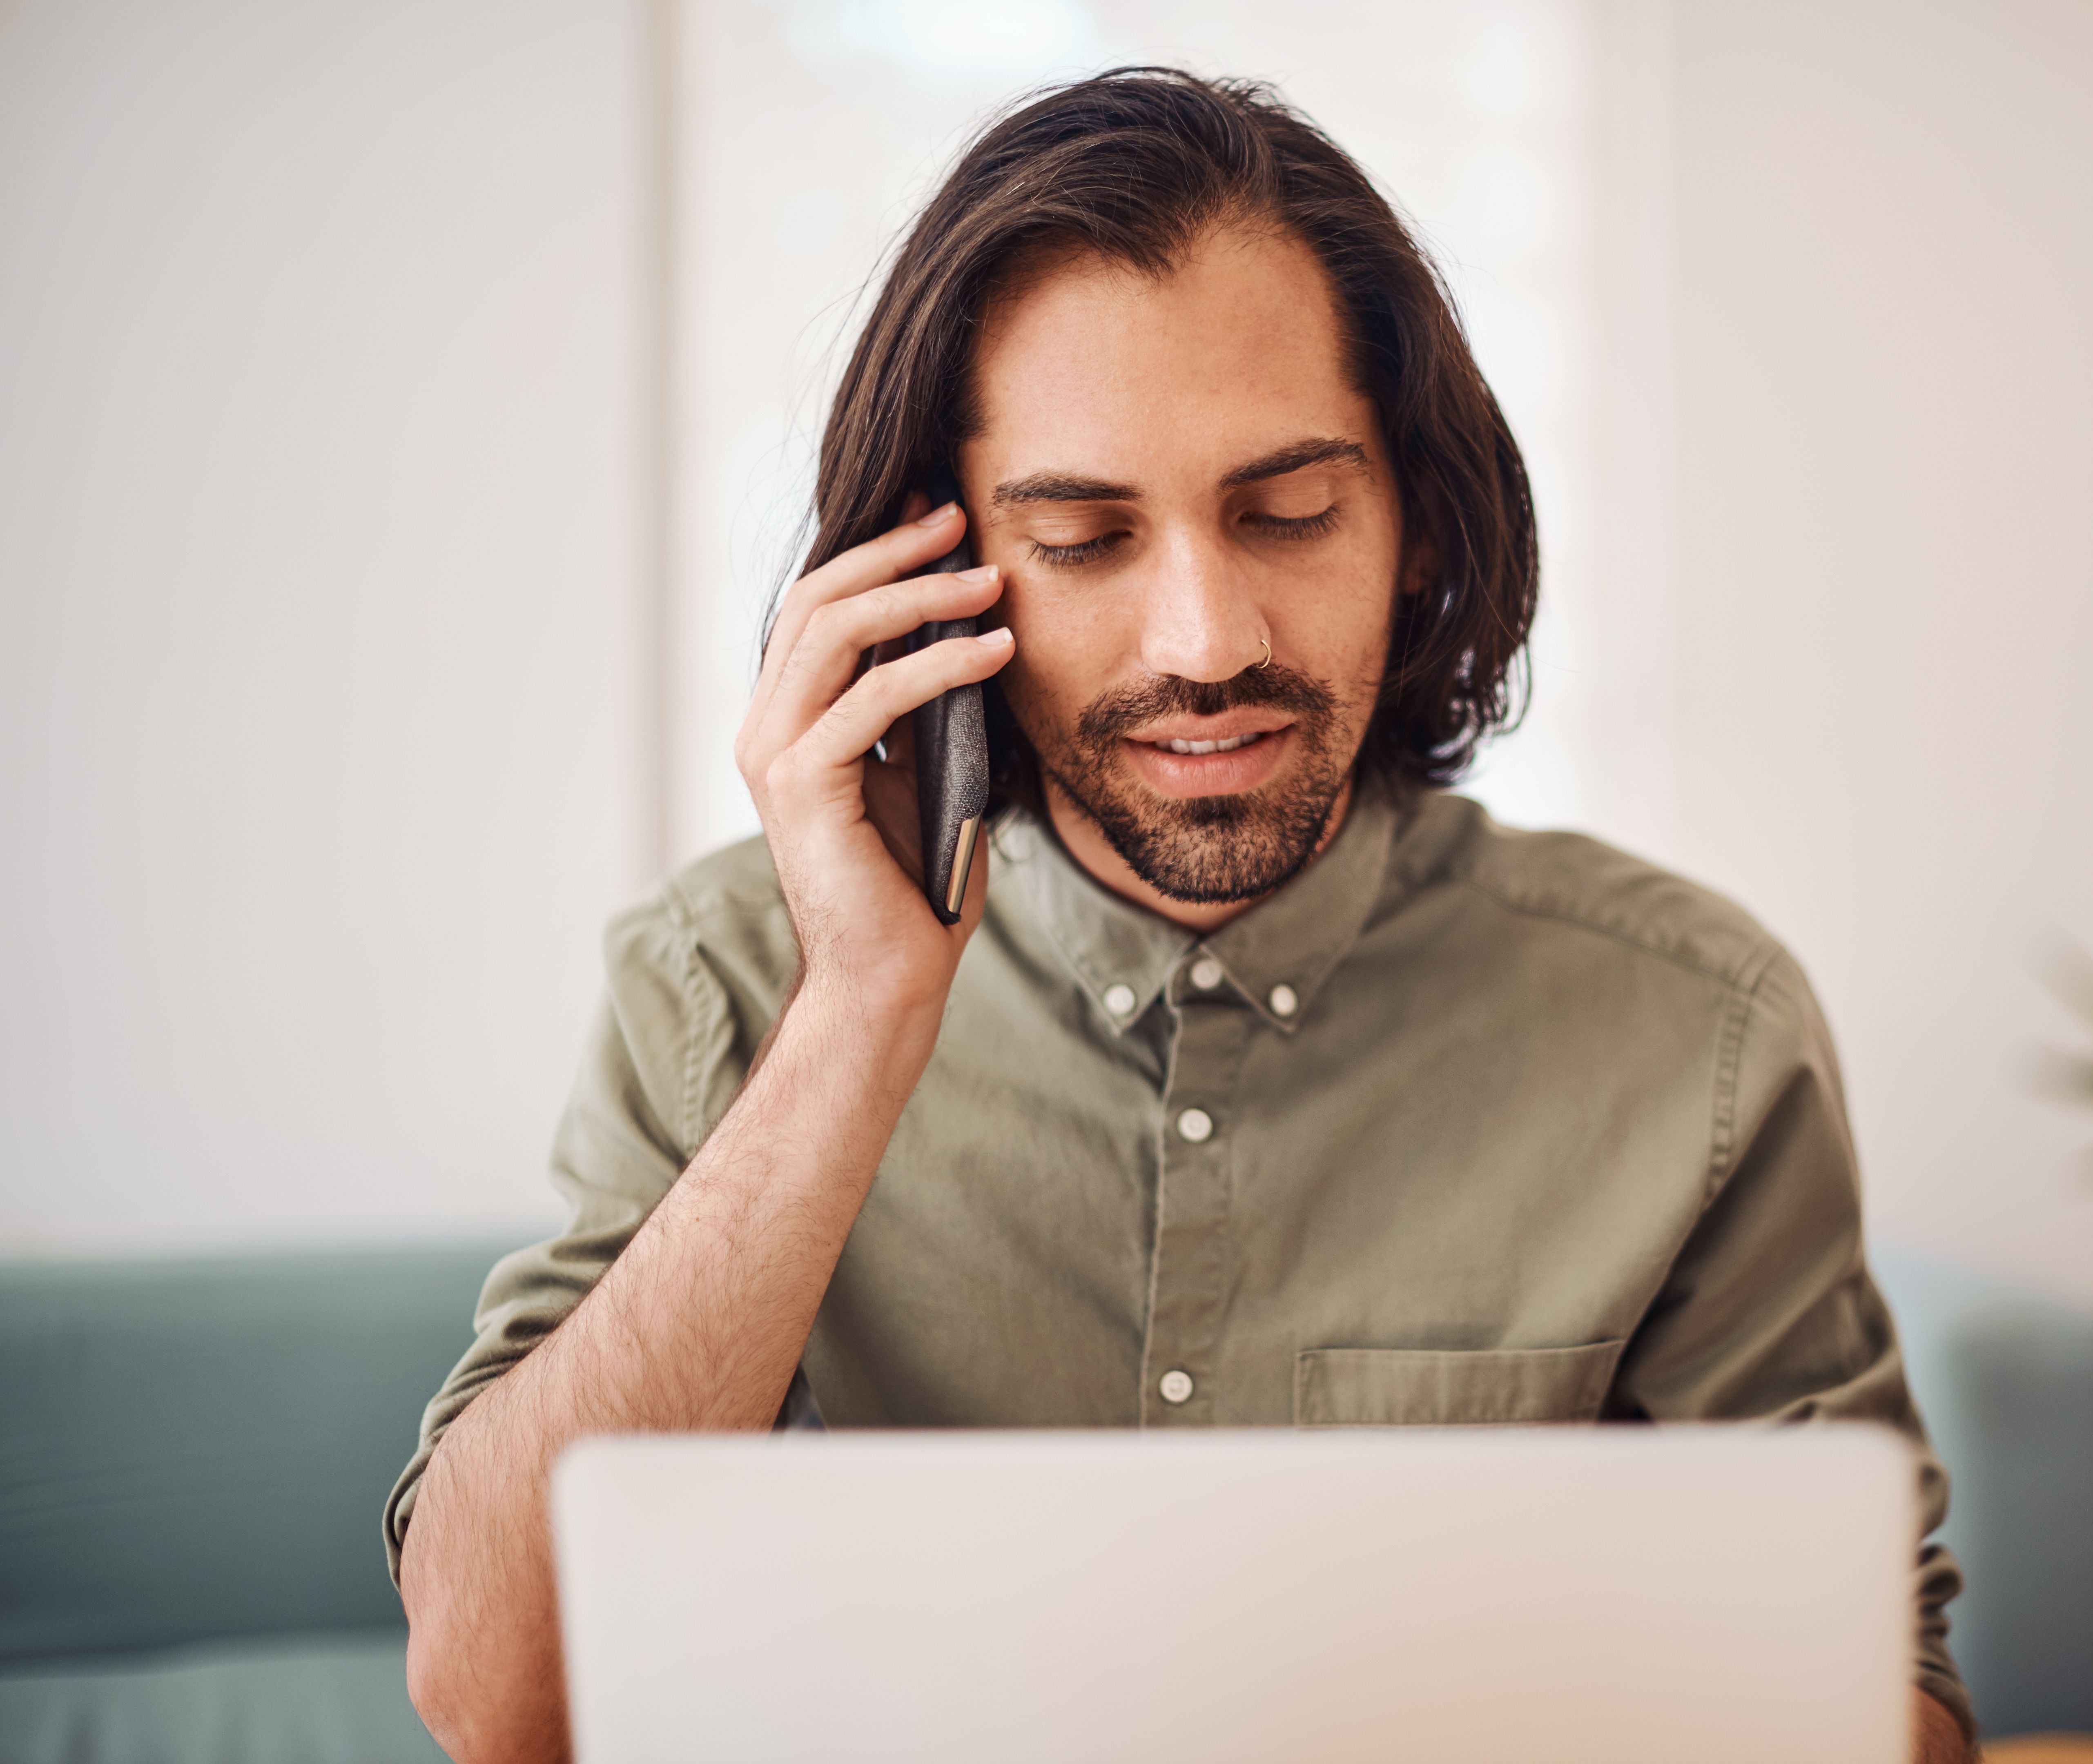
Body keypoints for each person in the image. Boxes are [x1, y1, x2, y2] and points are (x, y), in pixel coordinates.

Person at [390, 68, 1976, 1764]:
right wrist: (857, 1018)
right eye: (1083, 538)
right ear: (937, 573)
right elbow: (497, 1699)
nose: (1203, 637)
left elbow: (1898, 1704)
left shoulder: (1698, 1032)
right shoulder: (723, 983)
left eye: (1289, 512)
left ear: (1417, 521)